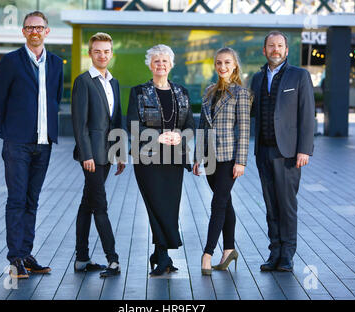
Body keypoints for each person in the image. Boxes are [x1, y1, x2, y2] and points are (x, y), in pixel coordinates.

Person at [0, 11, 64, 279]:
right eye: (30, 27)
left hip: (43, 143)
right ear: (23, 32)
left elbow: (54, 98)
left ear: (47, 31)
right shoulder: (10, 61)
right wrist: (10, 129)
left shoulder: (56, 63)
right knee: (17, 200)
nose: (35, 31)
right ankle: (15, 258)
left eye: (39, 27)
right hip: (17, 143)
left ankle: (26, 254)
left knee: (32, 201)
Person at [127, 44, 195, 276]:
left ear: (171, 65)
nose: (161, 64)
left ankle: (160, 254)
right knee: (156, 205)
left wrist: (179, 135)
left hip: (174, 159)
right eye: (156, 60)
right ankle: (163, 256)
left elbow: (190, 125)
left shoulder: (182, 92)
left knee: (170, 207)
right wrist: (160, 136)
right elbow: (133, 125)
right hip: (147, 159)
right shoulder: (138, 92)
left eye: (165, 61)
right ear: (150, 64)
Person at [250, 31, 315, 272]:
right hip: (263, 152)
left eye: (280, 46)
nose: (275, 49)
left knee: (286, 205)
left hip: (288, 153)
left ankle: (287, 255)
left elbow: (308, 115)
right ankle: (274, 252)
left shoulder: (299, 76)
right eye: (271, 46)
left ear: (286, 51)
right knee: (270, 205)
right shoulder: (256, 78)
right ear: (264, 50)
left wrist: (304, 150)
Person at [193, 47, 251, 276]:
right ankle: (229, 250)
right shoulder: (209, 91)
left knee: (218, 204)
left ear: (235, 65)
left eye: (227, 62)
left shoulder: (241, 94)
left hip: (229, 158)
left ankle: (207, 253)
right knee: (225, 203)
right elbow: (202, 126)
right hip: (209, 158)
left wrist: (242, 161)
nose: (222, 67)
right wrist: (197, 156)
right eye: (219, 63)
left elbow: (244, 130)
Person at [71, 32, 125, 278]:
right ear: (90, 54)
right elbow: (79, 123)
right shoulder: (84, 81)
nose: (102, 55)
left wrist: (120, 152)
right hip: (91, 156)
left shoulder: (113, 82)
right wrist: (86, 155)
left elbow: (117, 120)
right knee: (100, 205)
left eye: (106, 51)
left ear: (111, 54)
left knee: (87, 204)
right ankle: (112, 260)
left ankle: (82, 258)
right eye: (97, 51)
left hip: (107, 154)